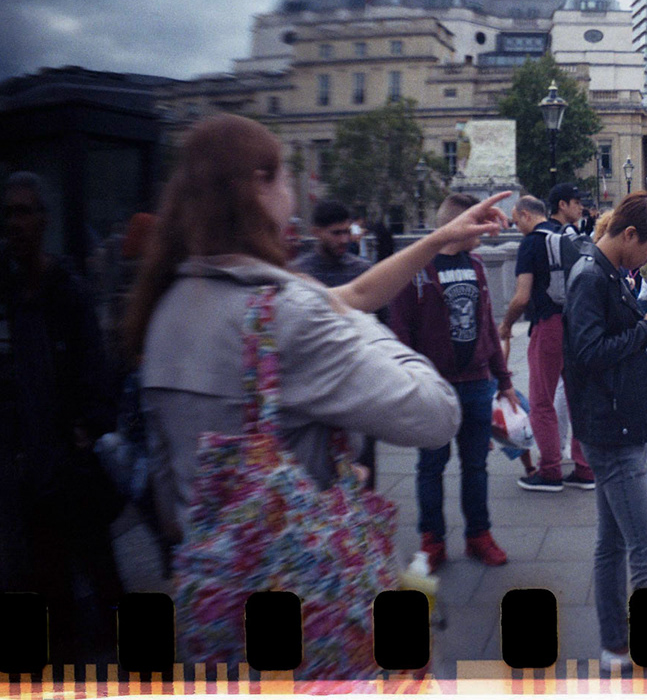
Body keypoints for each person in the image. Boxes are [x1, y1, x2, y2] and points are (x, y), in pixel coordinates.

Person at [127, 114, 494, 666]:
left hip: (218, 603)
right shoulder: (287, 312)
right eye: (282, 178)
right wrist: (359, 325)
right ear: (258, 185)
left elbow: (349, 293)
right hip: (308, 601)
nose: (292, 194)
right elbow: (434, 414)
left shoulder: (165, 308)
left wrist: (438, 241)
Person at [0, 171, 126, 662]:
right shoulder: (1, 287)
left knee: (99, 568)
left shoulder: (67, 289)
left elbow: (95, 367)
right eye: (8, 214)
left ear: (43, 220)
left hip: (67, 457)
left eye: (24, 212)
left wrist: (86, 430)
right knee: (48, 575)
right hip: (28, 461)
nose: (16, 223)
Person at [561, 191, 647, 671]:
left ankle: (615, 645)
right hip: (612, 427)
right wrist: (645, 327)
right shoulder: (591, 276)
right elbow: (589, 351)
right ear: (630, 235)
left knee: (612, 542)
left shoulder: (606, 271)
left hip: (614, 421)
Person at [390, 192, 516, 569]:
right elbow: (400, 334)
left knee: (475, 465)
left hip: (477, 383)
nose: (486, 229)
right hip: (434, 387)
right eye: (479, 221)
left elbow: (488, 328)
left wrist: (503, 379)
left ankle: (478, 534)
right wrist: (410, 385)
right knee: (431, 466)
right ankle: (432, 540)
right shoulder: (416, 270)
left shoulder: (476, 265)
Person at [500, 196, 596, 493]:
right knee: (577, 397)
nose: (517, 227)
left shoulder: (530, 244)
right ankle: (585, 468)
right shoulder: (564, 237)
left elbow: (522, 296)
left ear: (526, 215)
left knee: (541, 400)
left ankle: (551, 470)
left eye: (516, 221)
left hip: (548, 325)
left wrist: (505, 325)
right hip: (575, 325)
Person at [293, 200, 385, 486]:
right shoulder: (297, 274)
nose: (344, 239)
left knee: (365, 472)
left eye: (347, 231)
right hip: (314, 389)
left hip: (359, 384)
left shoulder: (363, 270)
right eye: (336, 233)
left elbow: (383, 325)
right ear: (316, 232)